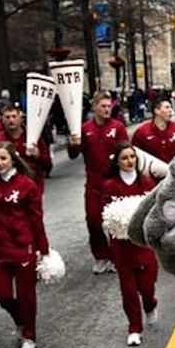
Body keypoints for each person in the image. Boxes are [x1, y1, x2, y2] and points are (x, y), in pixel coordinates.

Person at [0, 142, 48, 348]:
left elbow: (37, 219)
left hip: (23, 248)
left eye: (3, 158)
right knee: (1, 293)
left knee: (26, 295)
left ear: (12, 159)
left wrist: (43, 250)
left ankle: (29, 336)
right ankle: (20, 320)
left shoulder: (27, 185)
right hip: (0, 250)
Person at [101, 142, 159, 346]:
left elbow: (154, 212)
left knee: (146, 286)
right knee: (128, 289)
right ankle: (134, 327)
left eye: (132, 157)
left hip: (143, 244)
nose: (129, 161)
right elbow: (107, 216)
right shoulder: (110, 186)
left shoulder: (146, 183)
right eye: (124, 158)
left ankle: (150, 305)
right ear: (117, 162)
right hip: (122, 247)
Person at [68, 91, 130, 275]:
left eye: (108, 106)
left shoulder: (118, 127)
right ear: (94, 107)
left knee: (116, 221)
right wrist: (73, 143)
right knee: (93, 221)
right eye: (102, 106)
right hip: (94, 184)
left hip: (114, 182)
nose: (106, 109)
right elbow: (73, 155)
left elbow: (126, 151)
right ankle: (101, 256)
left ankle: (117, 257)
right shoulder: (85, 129)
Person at [0, 104, 53, 195]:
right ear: (2, 120)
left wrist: (38, 155)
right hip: (8, 188)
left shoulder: (33, 137)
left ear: (20, 118)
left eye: (14, 116)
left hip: (33, 185)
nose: (11, 120)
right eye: (7, 117)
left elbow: (48, 163)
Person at [132, 98, 175, 162]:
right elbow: (135, 154)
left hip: (173, 169)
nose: (171, 110)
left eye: (171, 107)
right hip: (153, 170)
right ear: (157, 111)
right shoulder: (142, 132)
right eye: (167, 107)